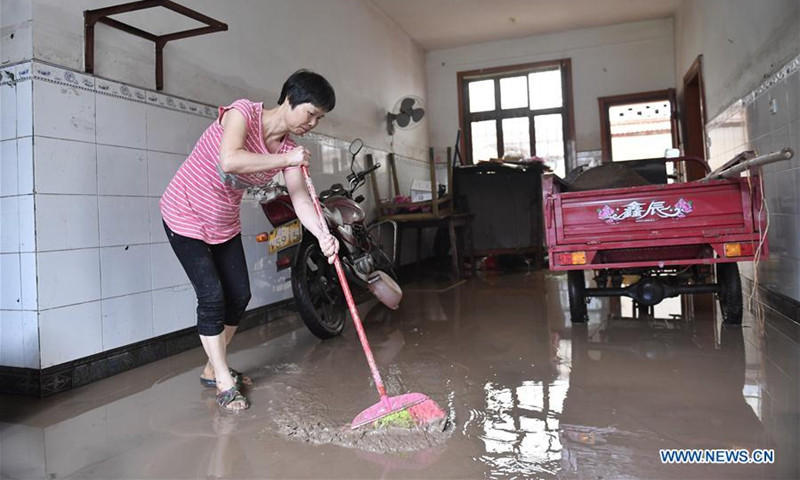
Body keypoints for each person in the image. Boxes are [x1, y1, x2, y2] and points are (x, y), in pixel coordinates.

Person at [160, 70, 339, 412]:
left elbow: (301, 200)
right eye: (310, 113)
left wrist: (322, 234)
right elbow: (230, 158)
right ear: (289, 99)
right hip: (184, 214)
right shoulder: (244, 113)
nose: (313, 123)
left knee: (239, 294)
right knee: (212, 295)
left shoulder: (288, 149)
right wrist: (288, 160)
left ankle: (214, 366)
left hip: (222, 222)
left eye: (320, 117)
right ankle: (224, 381)